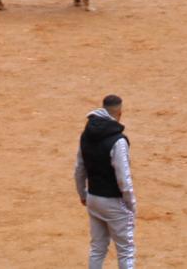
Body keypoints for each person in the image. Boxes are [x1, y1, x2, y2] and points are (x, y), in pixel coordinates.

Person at [75, 93, 136, 269]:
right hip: (114, 202)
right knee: (126, 251)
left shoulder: (85, 135)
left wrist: (83, 194)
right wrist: (131, 203)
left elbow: (79, 168)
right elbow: (123, 179)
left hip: (93, 198)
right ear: (120, 114)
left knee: (97, 249)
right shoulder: (118, 141)